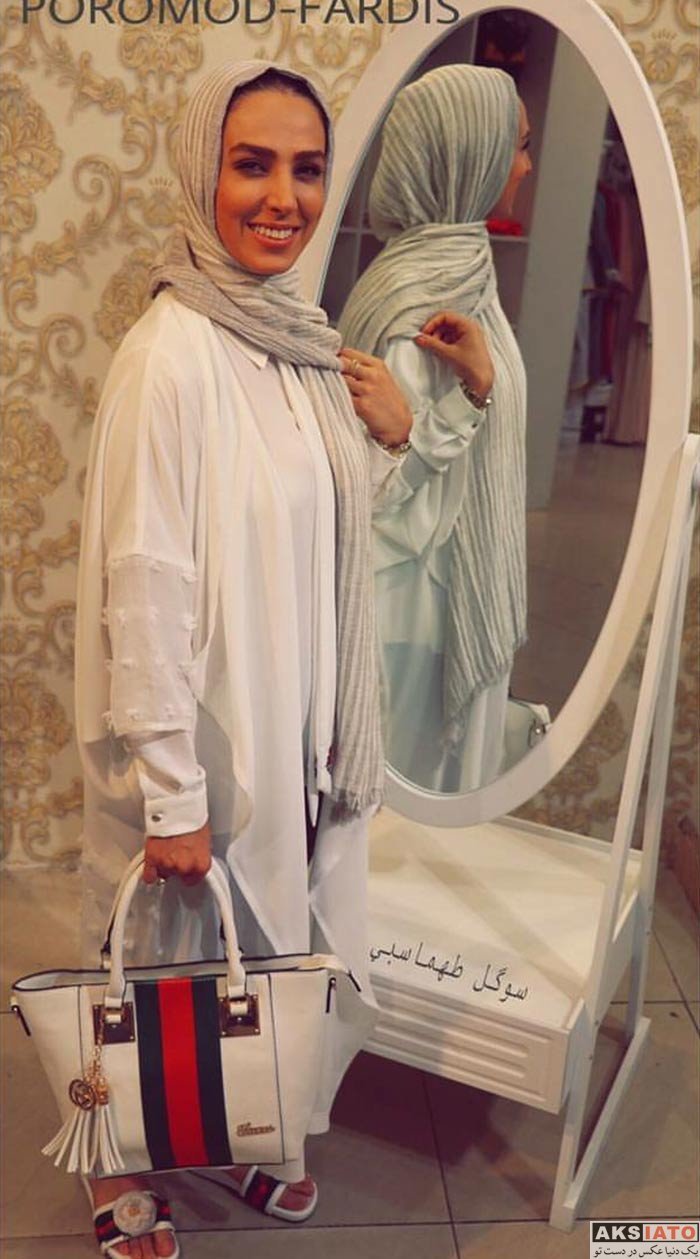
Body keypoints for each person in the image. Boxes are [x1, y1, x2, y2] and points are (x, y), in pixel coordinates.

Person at [75, 60, 414, 1259]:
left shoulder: (298, 344)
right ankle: (117, 1167)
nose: (284, 197)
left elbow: (314, 540)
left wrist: (388, 442)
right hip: (204, 727)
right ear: (199, 171)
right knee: (158, 957)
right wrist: (172, 787)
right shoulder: (168, 355)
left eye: (306, 168)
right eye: (251, 163)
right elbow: (143, 584)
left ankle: (227, 1128)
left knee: (257, 955)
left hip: (294, 718)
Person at [339, 64, 533, 793]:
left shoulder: (459, 272)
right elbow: (380, 496)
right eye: (517, 145)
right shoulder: (417, 300)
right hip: (409, 606)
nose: (526, 166)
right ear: (467, 154)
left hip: (433, 593)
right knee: (398, 801)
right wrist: (471, 397)